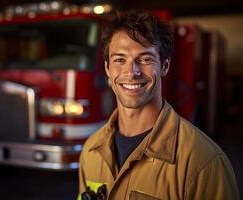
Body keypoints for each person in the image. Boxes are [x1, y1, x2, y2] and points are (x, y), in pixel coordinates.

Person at [78, 10, 240, 200]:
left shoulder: (203, 161)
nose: (132, 72)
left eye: (146, 59)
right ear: (107, 68)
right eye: (120, 60)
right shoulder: (91, 151)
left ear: (164, 66)